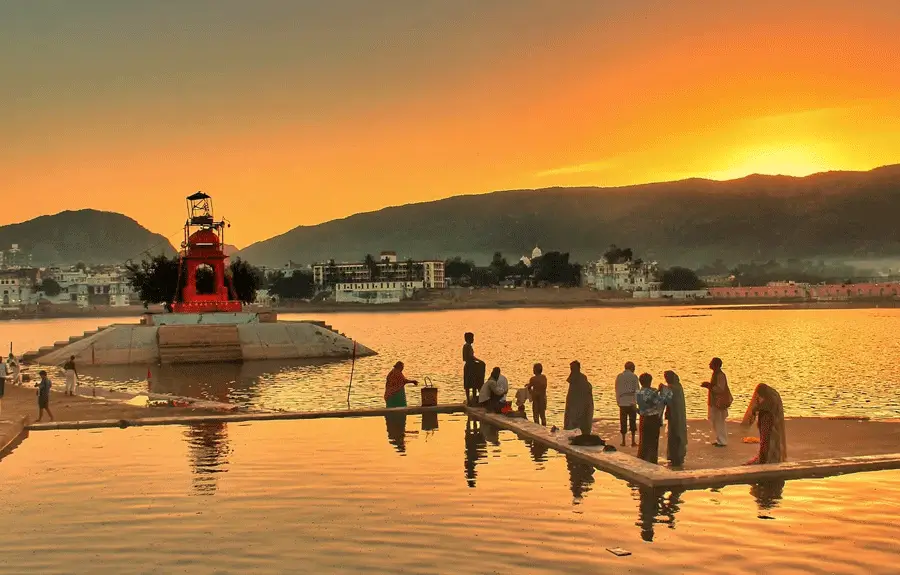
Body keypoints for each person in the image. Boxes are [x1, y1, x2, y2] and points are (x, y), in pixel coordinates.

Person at [741, 384, 787, 465]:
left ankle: (767, 459)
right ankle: (768, 458)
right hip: (771, 427)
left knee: (767, 443)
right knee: (770, 443)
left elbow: (765, 441)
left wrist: (755, 410)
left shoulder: (768, 406)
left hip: (769, 427)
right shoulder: (772, 397)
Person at [636, 373, 672, 465]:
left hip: (643, 418)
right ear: (649, 381)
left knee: (644, 441)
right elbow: (662, 401)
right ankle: (652, 461)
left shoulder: (638, 392)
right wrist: (663, 391)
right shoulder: (652, 392)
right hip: (653, 419)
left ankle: (643, 460)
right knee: (653, 442)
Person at [701, 357, 732, 447]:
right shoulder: (716, 374)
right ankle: (719, 440)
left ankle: (722, 441)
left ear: (716, 365)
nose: (709, 364)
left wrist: (709, 386)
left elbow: (720, 389)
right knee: (715, 421)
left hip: (719, 403)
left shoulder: (720, 375)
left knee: (719, 422)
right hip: (715, 402)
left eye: (711, 363)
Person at [663, 370, 688, 467]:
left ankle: (677, 457)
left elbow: (668, 397)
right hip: (675, 415)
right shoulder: (677, 387)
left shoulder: (675, 388)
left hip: (676, 415)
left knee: (676, 435)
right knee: (673, 436)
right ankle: (674, 457)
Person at [563, 360, 594, 436]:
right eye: (571, 368)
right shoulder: (573, 379)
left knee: (579, 423)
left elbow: (586, 393)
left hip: (580, 407)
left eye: (573, 368)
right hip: (574, 406)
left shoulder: (582, 378)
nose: (571, 370)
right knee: (572, 423)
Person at [615, 361, 640, 447]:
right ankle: (633, 441)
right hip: (632, 402)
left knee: (623, 421)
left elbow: (617, 389)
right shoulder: (634, 376)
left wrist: (618, 401)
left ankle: (623, 441)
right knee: (632, 421)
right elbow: (637, 390)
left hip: (622, 401)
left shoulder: (619, 376)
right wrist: (638, 402)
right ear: (632, 368)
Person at [462, 332, 486, 406]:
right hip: (470, 367)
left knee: (472, 384)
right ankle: (471, 400)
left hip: (470, 366)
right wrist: (480, 361)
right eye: (472, 338)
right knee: (471, 384)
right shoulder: (467, 346)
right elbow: (471, 357)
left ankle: (472, 400)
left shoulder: (467, 346)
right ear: (468, 339)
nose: (473, 339)